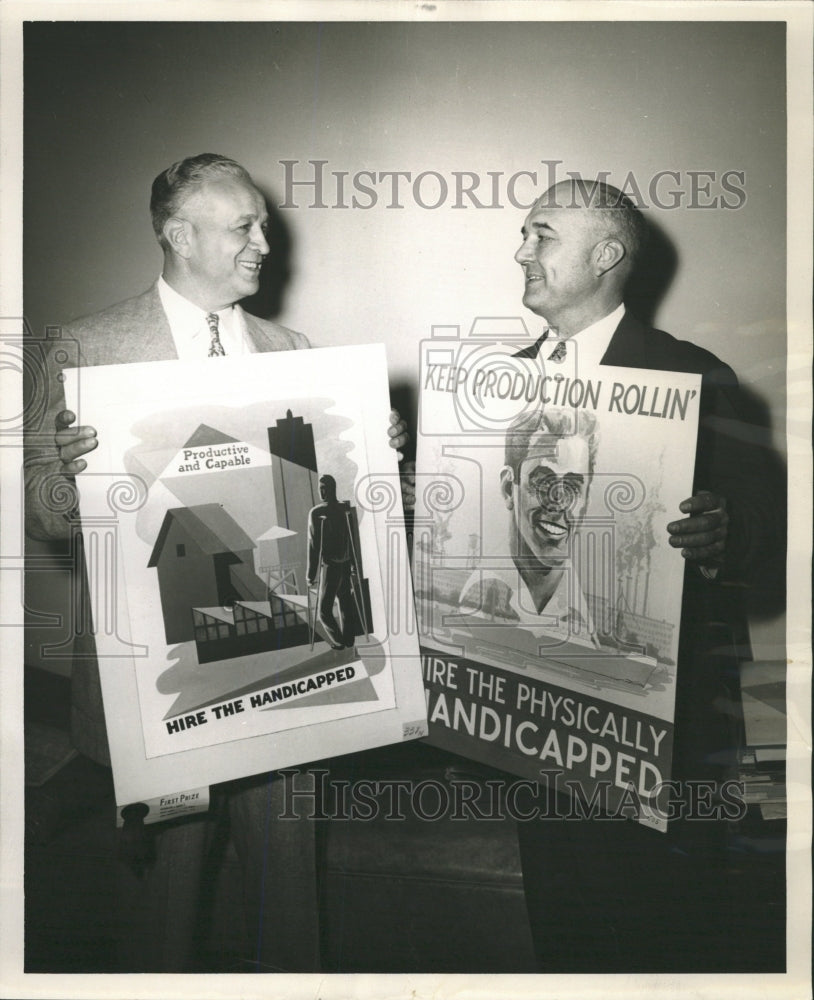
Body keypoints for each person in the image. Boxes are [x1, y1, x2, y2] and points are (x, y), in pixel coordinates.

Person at [23, 153, 408, 972]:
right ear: (178, 236)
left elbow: (323, 507)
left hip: (292, 675)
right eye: (245, 227)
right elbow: (39, 514)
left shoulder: (292, 346)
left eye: (264, 224)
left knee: (289, 914)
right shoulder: (84, 348)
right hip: (162, 697)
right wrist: (65, 474)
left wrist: (376, 457)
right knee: (162, 920)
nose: (266, 242)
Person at [510, 179, 779, 972]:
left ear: (606, 255)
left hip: (658, 722)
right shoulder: (494, 384)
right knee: (560, 923)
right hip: (534, 712)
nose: (521, 251)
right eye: (523, 235)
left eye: (542, 235)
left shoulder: (696, 375)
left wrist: (730, 530)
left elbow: (767, 525)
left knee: (659, 930)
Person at [458, 407, 599, 648]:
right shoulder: (474, 603)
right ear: (507, 488)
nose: (559, 504)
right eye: (543, 482)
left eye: (574, 488)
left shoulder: (588, 626)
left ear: (587, 500)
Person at [307, 474, 360, 649]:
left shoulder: (317, 512)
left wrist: (310, 574)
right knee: (344, 603)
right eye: (320, 488)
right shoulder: (344, 508)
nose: (322, 492)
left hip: (331, 567)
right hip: (345, 565)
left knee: (324, 610)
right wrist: (353, 564)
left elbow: (314, 546)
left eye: (324, 488)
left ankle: (339, 641)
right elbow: (352, 538)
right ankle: (349, 640)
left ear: (332, 489)